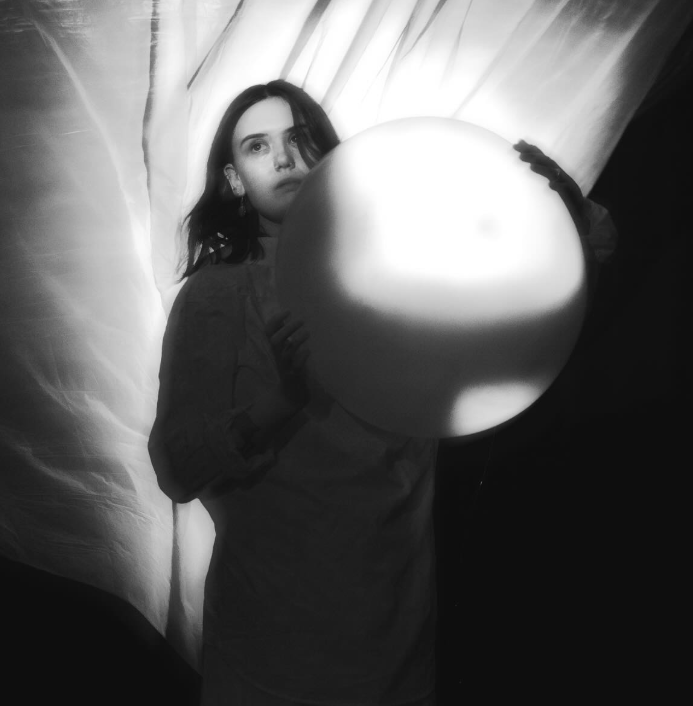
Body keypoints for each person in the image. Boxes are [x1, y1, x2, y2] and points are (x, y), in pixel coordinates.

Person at [148, 79, 615, 705]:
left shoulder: (402, 271)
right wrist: (279, 402)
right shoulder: (218, 298)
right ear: (233, 180)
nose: (284, 158)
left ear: (329, 153)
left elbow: (530, 302)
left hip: (397, 640)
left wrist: (565, 211)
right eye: (258, 146)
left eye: (298, 138)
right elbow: (177, 467)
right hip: (273, 650)